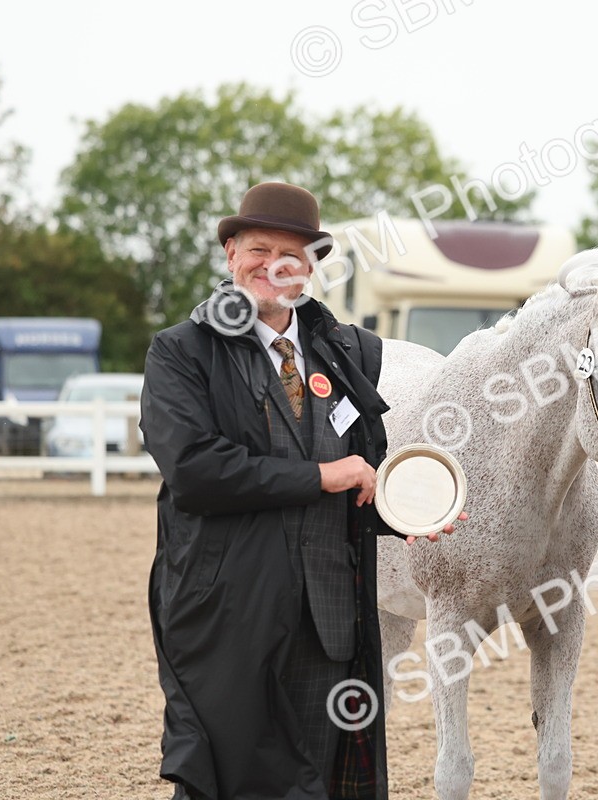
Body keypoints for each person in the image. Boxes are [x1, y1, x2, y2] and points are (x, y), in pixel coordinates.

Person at [142, 181, 460, 800]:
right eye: (259, 250)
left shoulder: (351, 354)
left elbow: (361, 480)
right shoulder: (182, 352)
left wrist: (408, 512)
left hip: (329, 619)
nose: (274, 266)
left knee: (314, 784)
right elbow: (195, 470)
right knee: (225, 782)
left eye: (293, 255)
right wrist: (322, 476)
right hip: (227, 615)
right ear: (231, 253)